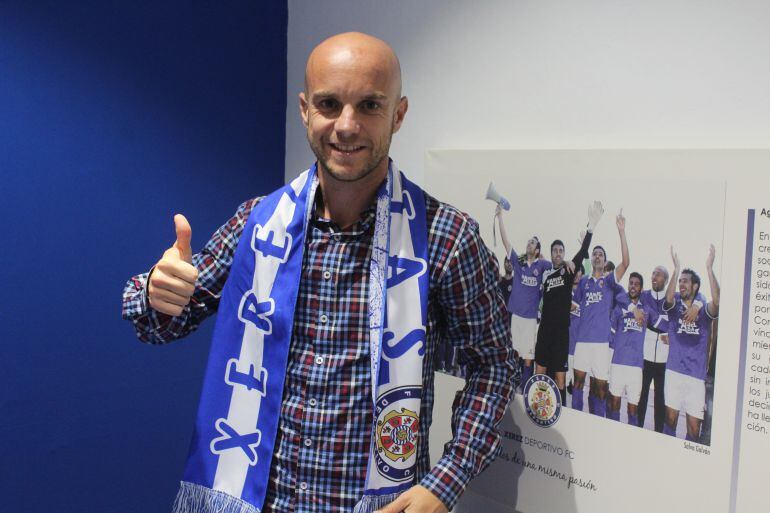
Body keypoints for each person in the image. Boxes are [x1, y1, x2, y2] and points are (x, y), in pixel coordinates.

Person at [122, 32, 515, 513]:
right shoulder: (259, 224)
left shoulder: (446, 236)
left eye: (369, 105)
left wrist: (445, 482)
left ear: (399, 113)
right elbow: (160, 323)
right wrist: (156, 291)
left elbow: (494, 367)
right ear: (305, 110)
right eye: (330, 104)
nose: (346, 126)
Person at [533, 201, 603, 403]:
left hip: (561, 333)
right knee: (540, 374)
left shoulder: (568, 270)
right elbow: (530, 259)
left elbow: (583, 253)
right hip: (544, 331)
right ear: (551, 253)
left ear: (564, 253)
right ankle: (539, 410)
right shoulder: (546, 273)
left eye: (561, 251)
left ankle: (560, 414)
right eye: (554, 250)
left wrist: (591, 227)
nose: (557, 253)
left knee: (560, 379)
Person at [571, 211, 630, 417]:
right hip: (582, 342)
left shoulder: (609, 281)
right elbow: (573, 303)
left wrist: (621, 232)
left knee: (600, 388)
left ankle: (598, 424)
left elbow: (625, 263)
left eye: (601, 254)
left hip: (601, 345)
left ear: (605, 262)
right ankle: (577, 419)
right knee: (577, 383)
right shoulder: (584, 282)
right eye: (594, 253)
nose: (597, 256)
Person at [662, 245, 719, 441]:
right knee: (670, 420)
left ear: (695, 286)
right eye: (680, 282)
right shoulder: (674, 305)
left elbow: (718, 300)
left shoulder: (703, 309)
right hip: (674, 372)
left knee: (694, 429)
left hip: (695, 376)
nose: (681, 285)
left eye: (685, 282)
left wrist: (709, 268)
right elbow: (668, 297)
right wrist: (676, 269)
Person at [637, 266, 703, 431]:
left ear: (666, 281)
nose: (654, 276)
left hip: (664, 358)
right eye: (653, 273)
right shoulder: (644, 295)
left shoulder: (674, 297)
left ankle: (658, 433)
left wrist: (697, 305)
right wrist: (670, 331)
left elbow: (700, 295)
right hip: (644, 354)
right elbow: (647, 317)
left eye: (659, 274)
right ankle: (636, 429)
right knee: (641, 395)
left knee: (661, 399)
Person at [495, 208, 551, 387]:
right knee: (514, 353)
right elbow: (506, 242)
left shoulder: (542, 264)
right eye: (528, 241)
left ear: (538, 249)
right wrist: (500, 218)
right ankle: (510, 386)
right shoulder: (518, 263)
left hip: (530, 319)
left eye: (533, 242)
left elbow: (557, 266)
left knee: (528, 358)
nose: (529, 244)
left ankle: (525, 389)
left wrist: (569, 262)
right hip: (516, 317)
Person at [607, 272, 662, 426]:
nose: (633, 286)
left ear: (641, 288)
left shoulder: (646, 310)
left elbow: (660, 323)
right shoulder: (619, 307)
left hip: (636, 367)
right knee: (614, 404)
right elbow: (610, 336)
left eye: (636, 284)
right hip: (618, 363)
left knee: (633, 410)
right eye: (631, 283)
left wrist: (670, 333)